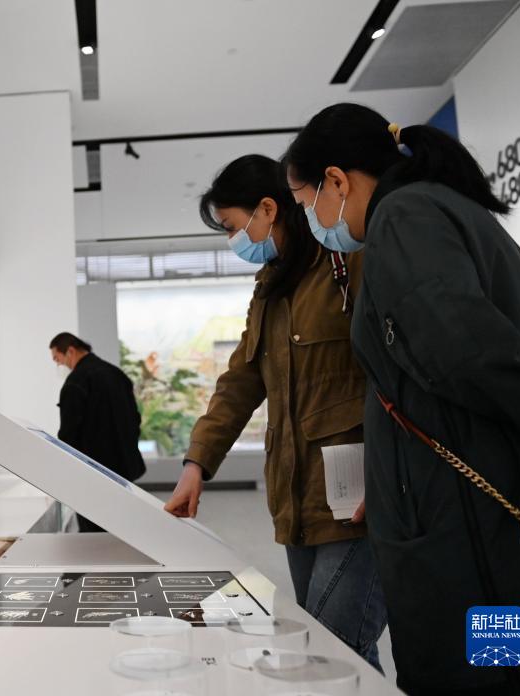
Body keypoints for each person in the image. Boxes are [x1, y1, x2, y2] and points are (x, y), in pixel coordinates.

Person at [283, 103, 520, 695]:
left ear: (336, 181)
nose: (313, 220)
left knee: (485, 672)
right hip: (461, 511)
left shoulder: (405, 219)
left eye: (306, 204)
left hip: (469, 529)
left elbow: (468, 356)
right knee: (493, 665)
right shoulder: (435, 211)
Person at [164, 155, 388, 670]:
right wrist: (197, 464)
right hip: (297, 504)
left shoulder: (349, 264)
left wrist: (392, 470)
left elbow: (398, 372)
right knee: (335, 654)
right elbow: (241, 381)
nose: (232, 241)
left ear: (268, 209)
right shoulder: (269, 288)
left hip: (359, 502)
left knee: (335, 652)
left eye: (230, 227)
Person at [50, 332, 146, 532]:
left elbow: (68, 434)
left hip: (93, 475)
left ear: (70, 351)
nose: (59, 365)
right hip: (124, 469)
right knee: (122, 528)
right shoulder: (116, 374)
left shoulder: (76, 382)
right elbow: (135, 418)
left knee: (94, 532)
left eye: (58, 359)